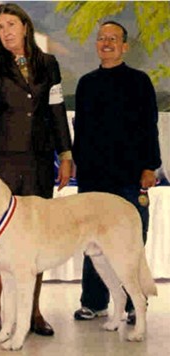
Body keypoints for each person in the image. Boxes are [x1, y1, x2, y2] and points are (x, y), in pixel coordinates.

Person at [0, 3, 72, 336]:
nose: (6, 32)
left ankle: (33, 312)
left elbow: (56, 108)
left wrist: (65, 153)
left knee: (34, 239)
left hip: (40, 160)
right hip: (3, 161)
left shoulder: (48, 64)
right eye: (0, 28)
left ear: (25, 26)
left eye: (11, 24)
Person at [72, 21, 161, 324]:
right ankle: (93, 302)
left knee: (129, 242)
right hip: (94, 178)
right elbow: (80, 132)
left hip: (130, 177)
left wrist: (150, 165)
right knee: (92, 243)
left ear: (125, 46)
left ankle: (136, 303)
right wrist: (77, 167)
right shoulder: (86, 83)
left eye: (113, 39)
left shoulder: (139, 81)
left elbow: (149, 126)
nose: (106, 43)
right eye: (101, 38)